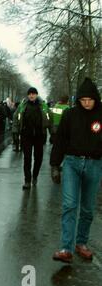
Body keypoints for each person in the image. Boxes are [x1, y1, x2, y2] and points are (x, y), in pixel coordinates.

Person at [51, 78, 102, 263]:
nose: (87, 103)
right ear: (78, 99)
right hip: (72, 163)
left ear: (96, 98)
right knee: (70, 205)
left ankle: (81, 243)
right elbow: (60, 141)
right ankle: (66, 248)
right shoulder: (70, 115)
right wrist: (55, 165)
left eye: (90, 99)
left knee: (87, 209)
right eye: (83, 99)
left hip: (94, 165)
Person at [13, 87, 51, 190]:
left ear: (36, 94)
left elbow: (49, 119)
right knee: (27, 158)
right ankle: (27, 180)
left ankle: (35, 176)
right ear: (27, 95)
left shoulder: (43, 106)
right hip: (26, 136)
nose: (31, 95)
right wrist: (16, 131)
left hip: (39, 136)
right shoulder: (23, 105)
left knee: (38, 158)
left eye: (33, 93)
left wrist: (53, 134)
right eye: (29, 94)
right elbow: (16, 117)